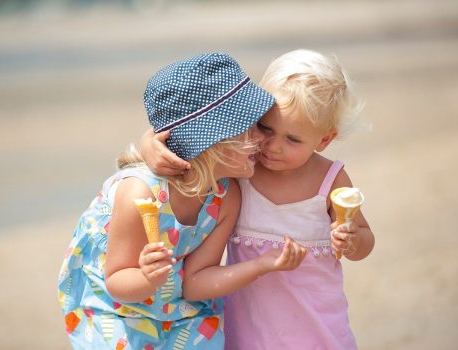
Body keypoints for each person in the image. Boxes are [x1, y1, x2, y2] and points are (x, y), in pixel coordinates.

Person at [57, 52, 308, 350]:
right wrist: (147, 278)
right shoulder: (140, 193)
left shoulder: (226, 195)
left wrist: (263, 264)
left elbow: (195, 283)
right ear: (213, 143)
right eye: (250, 127)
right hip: (115, 308)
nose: (263, 138)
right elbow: (117, 282)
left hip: (178, 307)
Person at [139, 49, 376, 349]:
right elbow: (194, 130)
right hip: (248, 329)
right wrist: (149, 142)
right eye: (265, 128)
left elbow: (364, 240)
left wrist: (353, 240)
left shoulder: (330, 181)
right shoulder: (241, 174)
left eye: (292, 139)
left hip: (318, 328)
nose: (272, 147)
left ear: (324, 140)